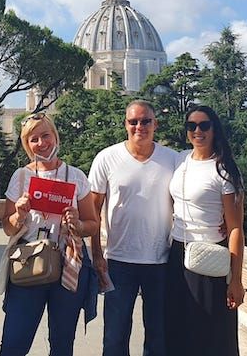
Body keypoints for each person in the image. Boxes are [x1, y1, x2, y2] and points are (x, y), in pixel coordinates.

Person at [0, 112, 99, 355]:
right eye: (34, 139)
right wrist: (19, 215)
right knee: (14, 342)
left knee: (62, 343)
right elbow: (7, 227)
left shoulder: (75, 176)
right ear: (27, 144)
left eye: (46, 135)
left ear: (55, 136)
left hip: (68, 263)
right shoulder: (21, 176)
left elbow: (92, 224)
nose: (41, 143)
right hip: (28, 262)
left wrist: (77, 223)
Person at [88, 100, 178, 356]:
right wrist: (96, 254)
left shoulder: (172, 160)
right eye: (133, 121)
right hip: (118, 261)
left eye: (145, 121)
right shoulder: (106, 158)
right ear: (125, 124)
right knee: (115, 337)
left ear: (155, 124)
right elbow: (93, 210)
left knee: (158, 337)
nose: (139, 126)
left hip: (160, 260)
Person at [165, 105, 245, 355]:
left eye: (204, 125)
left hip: (211, 256)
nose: (197, 131)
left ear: (214, 129)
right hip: (178, 253)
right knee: (177, 329)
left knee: (211, 335)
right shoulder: (180, 159)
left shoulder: (224, 171)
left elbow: (235, 229)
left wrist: (237, 280)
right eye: (191, 126)